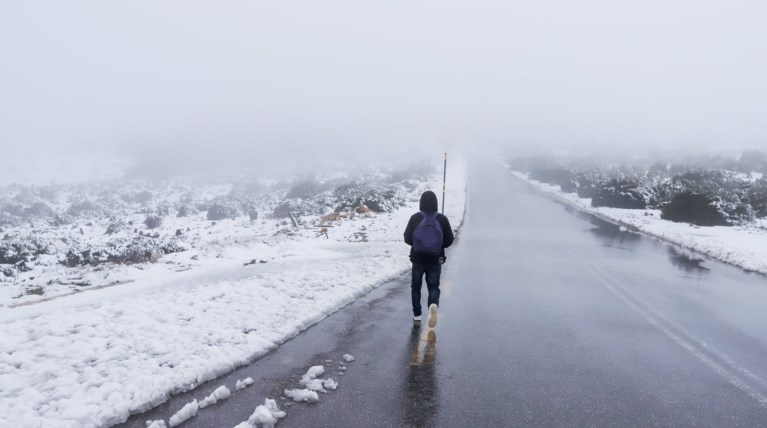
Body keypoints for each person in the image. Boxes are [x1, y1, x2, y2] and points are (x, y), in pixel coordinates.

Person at [404, 190, 454, 327]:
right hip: (435, 259)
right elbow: (449, 240)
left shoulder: (415, 218)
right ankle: (433, 305)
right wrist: (437, 245)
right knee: (433, 286)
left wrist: (418, 245)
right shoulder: (441, 219)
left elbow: (407, 237)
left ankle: (417, 314)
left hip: (417, 258)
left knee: (416, 286)